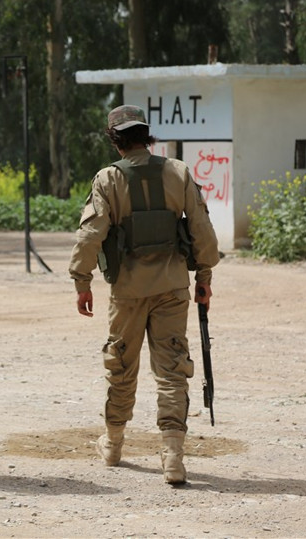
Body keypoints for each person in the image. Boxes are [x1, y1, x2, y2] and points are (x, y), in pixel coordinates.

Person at [68, 105, 220, 485]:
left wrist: (81, 281)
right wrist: (204, 275)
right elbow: (201, 228)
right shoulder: (178, 172)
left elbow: (90, 234)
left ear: (114, 139)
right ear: (147, 135)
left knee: (121, 367)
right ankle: (173, 458)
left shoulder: (107, 179)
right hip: (172, 287)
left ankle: (114, 445)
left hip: (128, 291)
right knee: (171, 372)